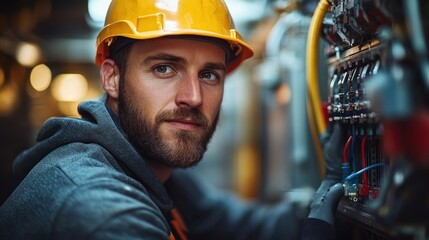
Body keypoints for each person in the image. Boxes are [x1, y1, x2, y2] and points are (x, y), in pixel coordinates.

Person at [0, 0, 345, 239]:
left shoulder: (156, 173)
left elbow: (250, 228)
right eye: (164, 68)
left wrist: (330, 197)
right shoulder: (99, 209)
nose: (193, 97)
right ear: (112, 78)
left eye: (210, 74)